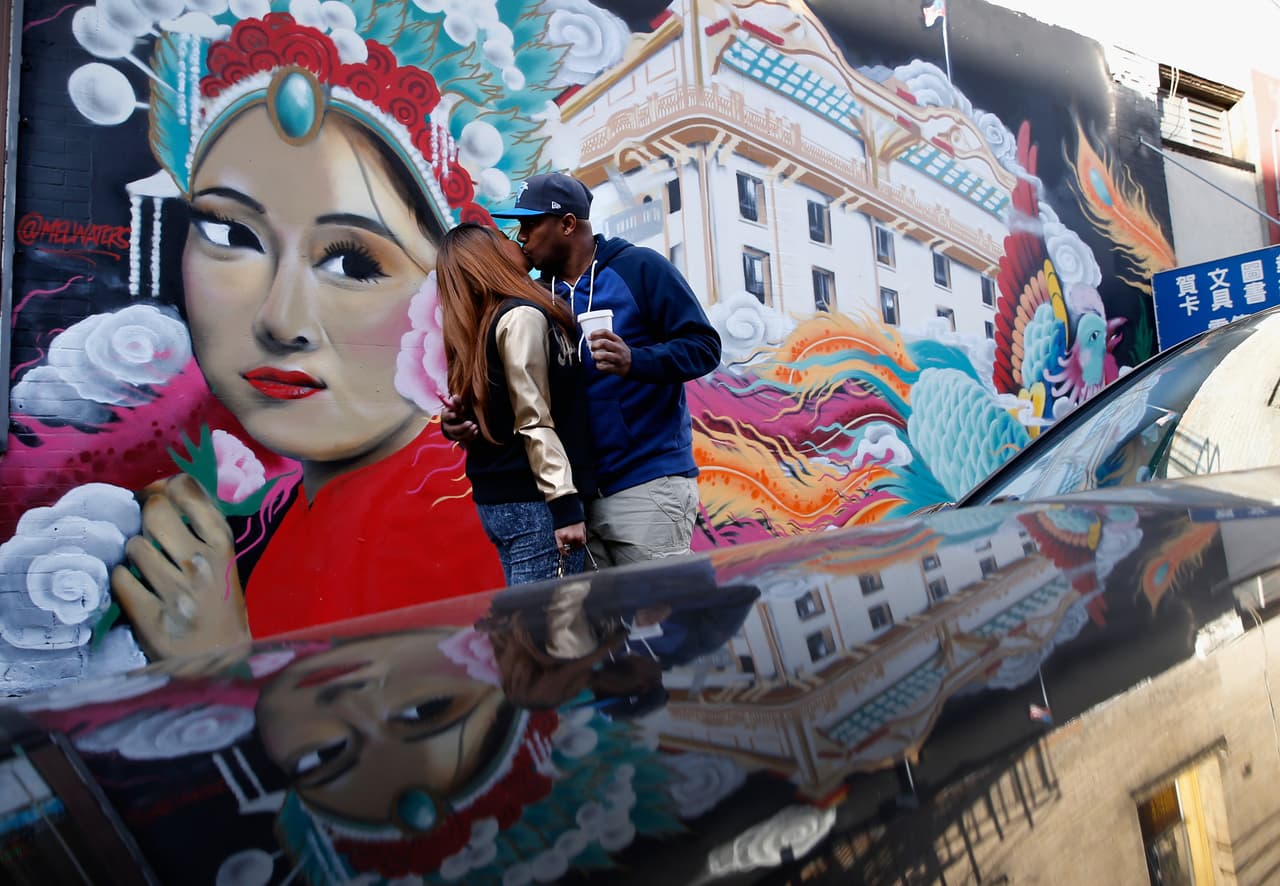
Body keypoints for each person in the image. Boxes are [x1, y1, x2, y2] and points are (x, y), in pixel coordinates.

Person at [104, 10, 563, 658]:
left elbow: (409, 756)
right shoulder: (317, 497)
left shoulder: (450, 523)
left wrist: (216, 666)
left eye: (352, 262)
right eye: (232, 235)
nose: (281, 320)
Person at [447, 173, 722, 568]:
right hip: (576, 498)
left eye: (529, 224)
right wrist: (460, 424)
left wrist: (635, 360)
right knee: (601, 627)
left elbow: (704, 348)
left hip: (645, 483)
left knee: (662, 619)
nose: (521, 237)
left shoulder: (639, 268)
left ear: (568, 224)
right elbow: (523, 396)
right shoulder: (537, 296)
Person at [435, 223, 594, 584]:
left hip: (499, 502)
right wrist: (564, 504)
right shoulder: (520, 317)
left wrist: (453, 425)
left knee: (530, 629)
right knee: (549, 633)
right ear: (489, 258)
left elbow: (495, 410)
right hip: (537, 503)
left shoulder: (476, 326)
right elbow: (533, 418)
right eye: (504, 239)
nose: (518, 240)